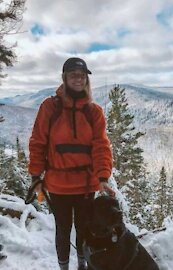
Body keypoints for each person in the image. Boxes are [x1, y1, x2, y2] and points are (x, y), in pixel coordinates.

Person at [28, 57, 115, 270]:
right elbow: (38, 142)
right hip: (58, 185)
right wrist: (35, 176)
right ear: (65, 78)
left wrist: (103, 177)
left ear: (87, 79)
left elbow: (101, 146)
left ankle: (82, 266)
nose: (78, 79)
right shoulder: (50, 107)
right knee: (63, 229)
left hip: (86, 184)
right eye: (73, 75)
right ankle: (65, 267)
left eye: (82, 76)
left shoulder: (94, 112)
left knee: (84, 229)